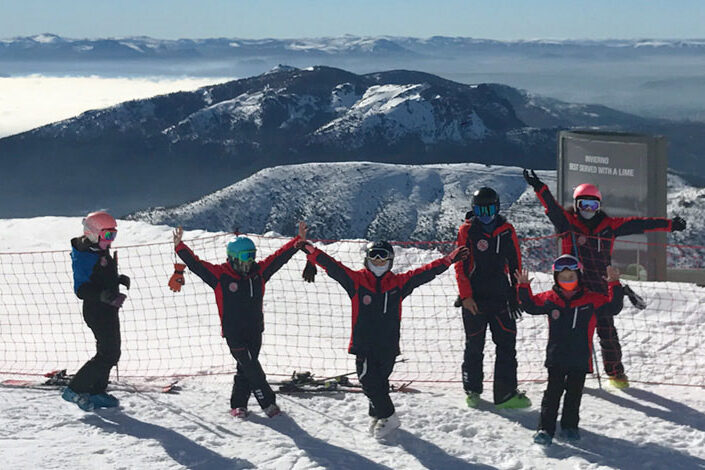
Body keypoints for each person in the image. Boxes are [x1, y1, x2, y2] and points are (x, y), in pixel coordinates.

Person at [523, 169, 686, 388]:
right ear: (576, 205)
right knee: (570, 332)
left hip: (601, 285)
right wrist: (539, 188)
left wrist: (669, 225)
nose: (588, 210)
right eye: (583, 205)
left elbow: (640, 223)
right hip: (573, 287)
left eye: (593, 205)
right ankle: (570, 370)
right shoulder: (568, 224)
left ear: (599, 206)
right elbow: (552, 208)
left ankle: (615, 373)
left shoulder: (609, 226)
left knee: (607, 330)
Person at [302, 238, 468, 440]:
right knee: (367, 381)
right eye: (374, 257)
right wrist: (312, 251)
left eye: (383, 258)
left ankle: (378, 415)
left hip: (388, 345)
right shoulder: (356, 281)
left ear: (390, 261)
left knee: (379, 382)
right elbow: (334, 267)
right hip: (364, 344)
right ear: (366, 259)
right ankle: (388, 416)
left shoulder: (398, 283)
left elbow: (424, 273)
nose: (378, 261)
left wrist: (448, 260)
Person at [173, 223, 306, 418]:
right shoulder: (221, 276)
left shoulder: (258, 273)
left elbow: (279, 258)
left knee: (245, 368)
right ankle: (268, 404)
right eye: (245, 256)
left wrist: (297, 242)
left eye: (252, 255)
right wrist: (180, 247)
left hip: (255, 330)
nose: (250, 260)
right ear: (233, 257)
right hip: (234, 333)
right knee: (252, 368)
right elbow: (196, 265)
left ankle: (238, 405)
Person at [515, 255, 624, 446]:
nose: (567, 281)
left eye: (571, 277)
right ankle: (545, 429)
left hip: (580, 358)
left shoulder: (590, 300)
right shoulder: (550, 299)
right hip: (556, 356)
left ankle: (570, 427)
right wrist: (523, 287)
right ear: (556, 278)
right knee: (552, 394)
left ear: (578, 277)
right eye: (563, 278)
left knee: (574, 395)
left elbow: (613, 307)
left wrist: (614, 284)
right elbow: (531, 306)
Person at [454, 187, 530, 409]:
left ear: (497, 208)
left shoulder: (506, 230)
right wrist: (466, 296)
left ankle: (506, 394)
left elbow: (515, 262)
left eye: (489, 209)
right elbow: (460, 266)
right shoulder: (467, 230)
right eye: (480, 210)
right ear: (474, 210)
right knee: (474, 345)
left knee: (506, 345)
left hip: (501, 296)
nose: (485, 215)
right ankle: (472, 390)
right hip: (475, 298)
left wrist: (516, 294)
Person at [63, 211, 129, 411]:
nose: (110, 240)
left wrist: (118, 280)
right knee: (108, 353)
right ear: (92, 233)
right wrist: (105, 296)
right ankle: (74, 389)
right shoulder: (85, 256)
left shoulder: (99, 250)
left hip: (108, 309)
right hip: (96, 311)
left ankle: (96, 391)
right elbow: (81, 289)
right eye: (107, 235)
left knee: (112, 351)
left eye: (113, 235)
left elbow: (100, 277)